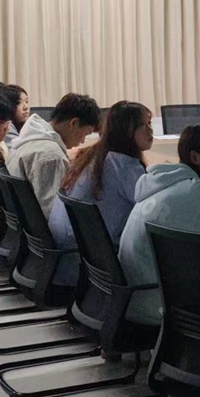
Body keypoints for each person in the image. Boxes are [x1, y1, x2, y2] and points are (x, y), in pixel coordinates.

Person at [119, 123, 200, 327]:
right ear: (195, 157)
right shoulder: (193, 192)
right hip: (159, 307)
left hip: (134, 298)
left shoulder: (163, 182)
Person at [48, 101, 153, 286]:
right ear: (127, 131)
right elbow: (152, 208)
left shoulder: (96, 156)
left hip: (73, 261)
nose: (150, 131)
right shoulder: (123, 165)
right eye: (143, 125)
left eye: (150, 123)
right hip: (90, 266)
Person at [7, 93, 101, 219]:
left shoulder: (28, 138)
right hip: (40, 227)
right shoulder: (51, 156)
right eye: (86, 133)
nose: (83, 141)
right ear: (74, 123)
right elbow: (52, 214)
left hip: (22, 223)